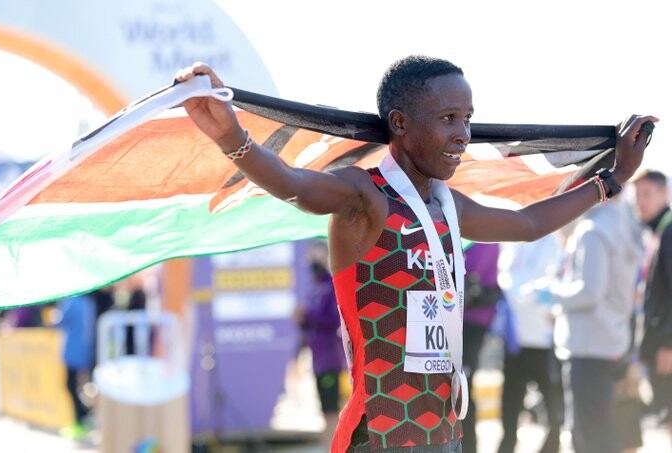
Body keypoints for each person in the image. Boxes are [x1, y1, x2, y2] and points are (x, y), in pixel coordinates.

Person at [176, 56, 656, 453]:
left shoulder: (448, 207)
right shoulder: (364, 196)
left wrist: (613, 179)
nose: (464, 134)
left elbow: (529, 225)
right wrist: (231, 138)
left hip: (443, 431)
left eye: (467, 119)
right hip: (379, 434)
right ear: (400, 123)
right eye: (448, 119)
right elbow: (293, 184)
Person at [549, 192, 644, 453]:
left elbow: (590, 292)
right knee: (603, 433)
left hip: (588, 345)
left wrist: (552, 290)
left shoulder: (593, 230)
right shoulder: (625, 226)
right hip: (613, 341)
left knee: (589, 437)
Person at [496, 233, 565, 453]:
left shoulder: (552, 240)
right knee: (510, 405)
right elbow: (504, 277)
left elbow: (556, 279)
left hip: (544, 341)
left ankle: (551, 447)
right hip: (515, 340)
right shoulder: (511, 240)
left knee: (554, 405)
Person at [295, 246, 347, 450]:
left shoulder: (330, 285)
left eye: (317, 256)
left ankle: (335, 447)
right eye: (311, 256)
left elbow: (333, 320)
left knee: (332, 408)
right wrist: (302, 319)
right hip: (317, 358)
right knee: (324, 409)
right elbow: (310, 324)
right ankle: (330, 446)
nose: (313, 261)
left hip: (330, 358)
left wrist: (308, 315)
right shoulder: (313, 286)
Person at [633, 169, 672, 432]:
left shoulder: (669, 231)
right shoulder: (657, 231)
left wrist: (669, 343)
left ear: (664, 193)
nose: (640, 201)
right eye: (637, 195)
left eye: (647, 194)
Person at [460, 242, 502, 453]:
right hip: (458, 319)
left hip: (472, 321)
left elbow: (471, 272)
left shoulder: (486, 238)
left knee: (462, 387)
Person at [54, 294, 96, 438]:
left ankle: (81, 418)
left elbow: (60, 322)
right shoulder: (88, 303)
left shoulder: (71, 302)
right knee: (79, 386)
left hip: (73, 352)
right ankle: (82, 417)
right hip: (85, 351)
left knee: (71, 386)